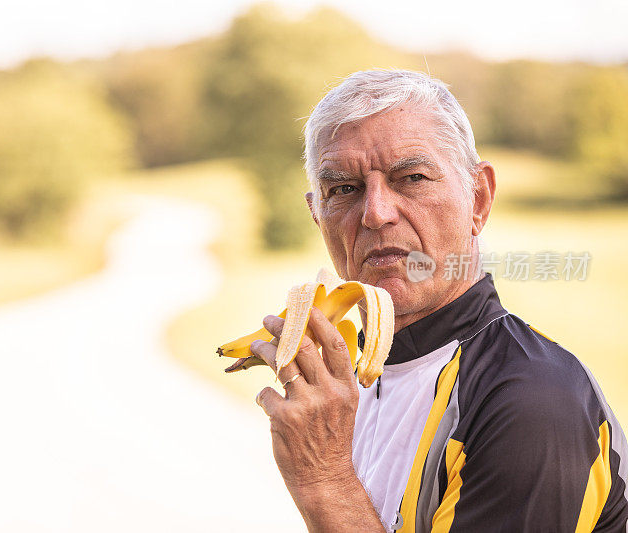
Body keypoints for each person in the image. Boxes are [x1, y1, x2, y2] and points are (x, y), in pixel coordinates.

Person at [247, 70, 628, 532]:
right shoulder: (350, 380)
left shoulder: (532, 400)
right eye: (343, 189)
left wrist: (324, 480)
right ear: (317, 215)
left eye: (412, 177)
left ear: (479, 200)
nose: (375, 214)